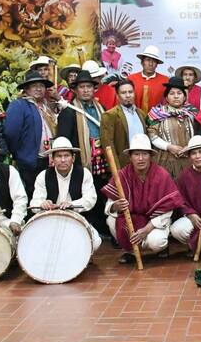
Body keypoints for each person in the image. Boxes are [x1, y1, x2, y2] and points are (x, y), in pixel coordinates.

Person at [102, 134, 192, 264]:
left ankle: (161, 249)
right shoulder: (122, 175)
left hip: (153, 223)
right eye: (136, 154)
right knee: (111, 220)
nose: (140, 158)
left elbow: (167, 211)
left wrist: (146, 230)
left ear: (151, 156)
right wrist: (116, 206)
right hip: (132, 219)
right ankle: (131, 251)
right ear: (130, 157)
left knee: (156, 242)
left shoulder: (161, 175)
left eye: (144, 154)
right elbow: (109, 206)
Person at [56, 70, 108, 235]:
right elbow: (63, 139)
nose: (85, 90)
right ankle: (87, 228)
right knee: (84, 190)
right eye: (82, 87)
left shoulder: (102, 108)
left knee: (102, 188)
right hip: (82, 158)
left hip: (102, 156)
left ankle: (102, 226)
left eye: (89, 87)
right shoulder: (69, 111)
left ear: (94, 89)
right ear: (75, 90)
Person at [29, 137, 101, 252]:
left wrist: (71, 204)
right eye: (58, 156)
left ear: (73, 158)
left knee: (96, 242)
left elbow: (90, 199)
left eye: (66, 156)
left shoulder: (84, 173)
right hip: (50, 220)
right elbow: (34, 202)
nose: (63, 160)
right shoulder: (43, 175)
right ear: (52, 159)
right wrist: (42, 204)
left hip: (77, 219)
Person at [3, 70, 57, 194]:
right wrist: (21, 152)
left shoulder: (48, 106)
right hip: (30, 160)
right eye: (34, 86)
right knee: (32, 192)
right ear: (26, 89)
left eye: (41, 85)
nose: (39, 89)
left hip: (49, 160)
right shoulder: (19, 105)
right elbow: (11, 132)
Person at [146, 76, 197, 179]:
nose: (176, 96)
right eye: (172, 93)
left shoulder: (192, 114)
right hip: (165, 161)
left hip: (188, 160)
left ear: (184, 97)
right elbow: (152, 136)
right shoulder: (157, 113)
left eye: (179, 93)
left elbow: (198, 135)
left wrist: (190, 146)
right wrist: (169, 147)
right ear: (166, 97)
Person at [100, 79, 146, 169]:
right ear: (117, 96)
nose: (128, 95)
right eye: (124, 93)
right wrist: (117, 170)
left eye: (130, 92)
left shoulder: (142, 114)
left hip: (143, 165)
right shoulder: (110, 115)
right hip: (123, 166)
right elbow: (108, 145)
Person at [128, 45, 169, 115]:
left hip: (157, 121)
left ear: (157, 64)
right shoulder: (131, 78)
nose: (150, 64)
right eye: (148, 60)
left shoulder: (165, 80)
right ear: (142, 62)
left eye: (154, 61)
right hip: (134, 118)